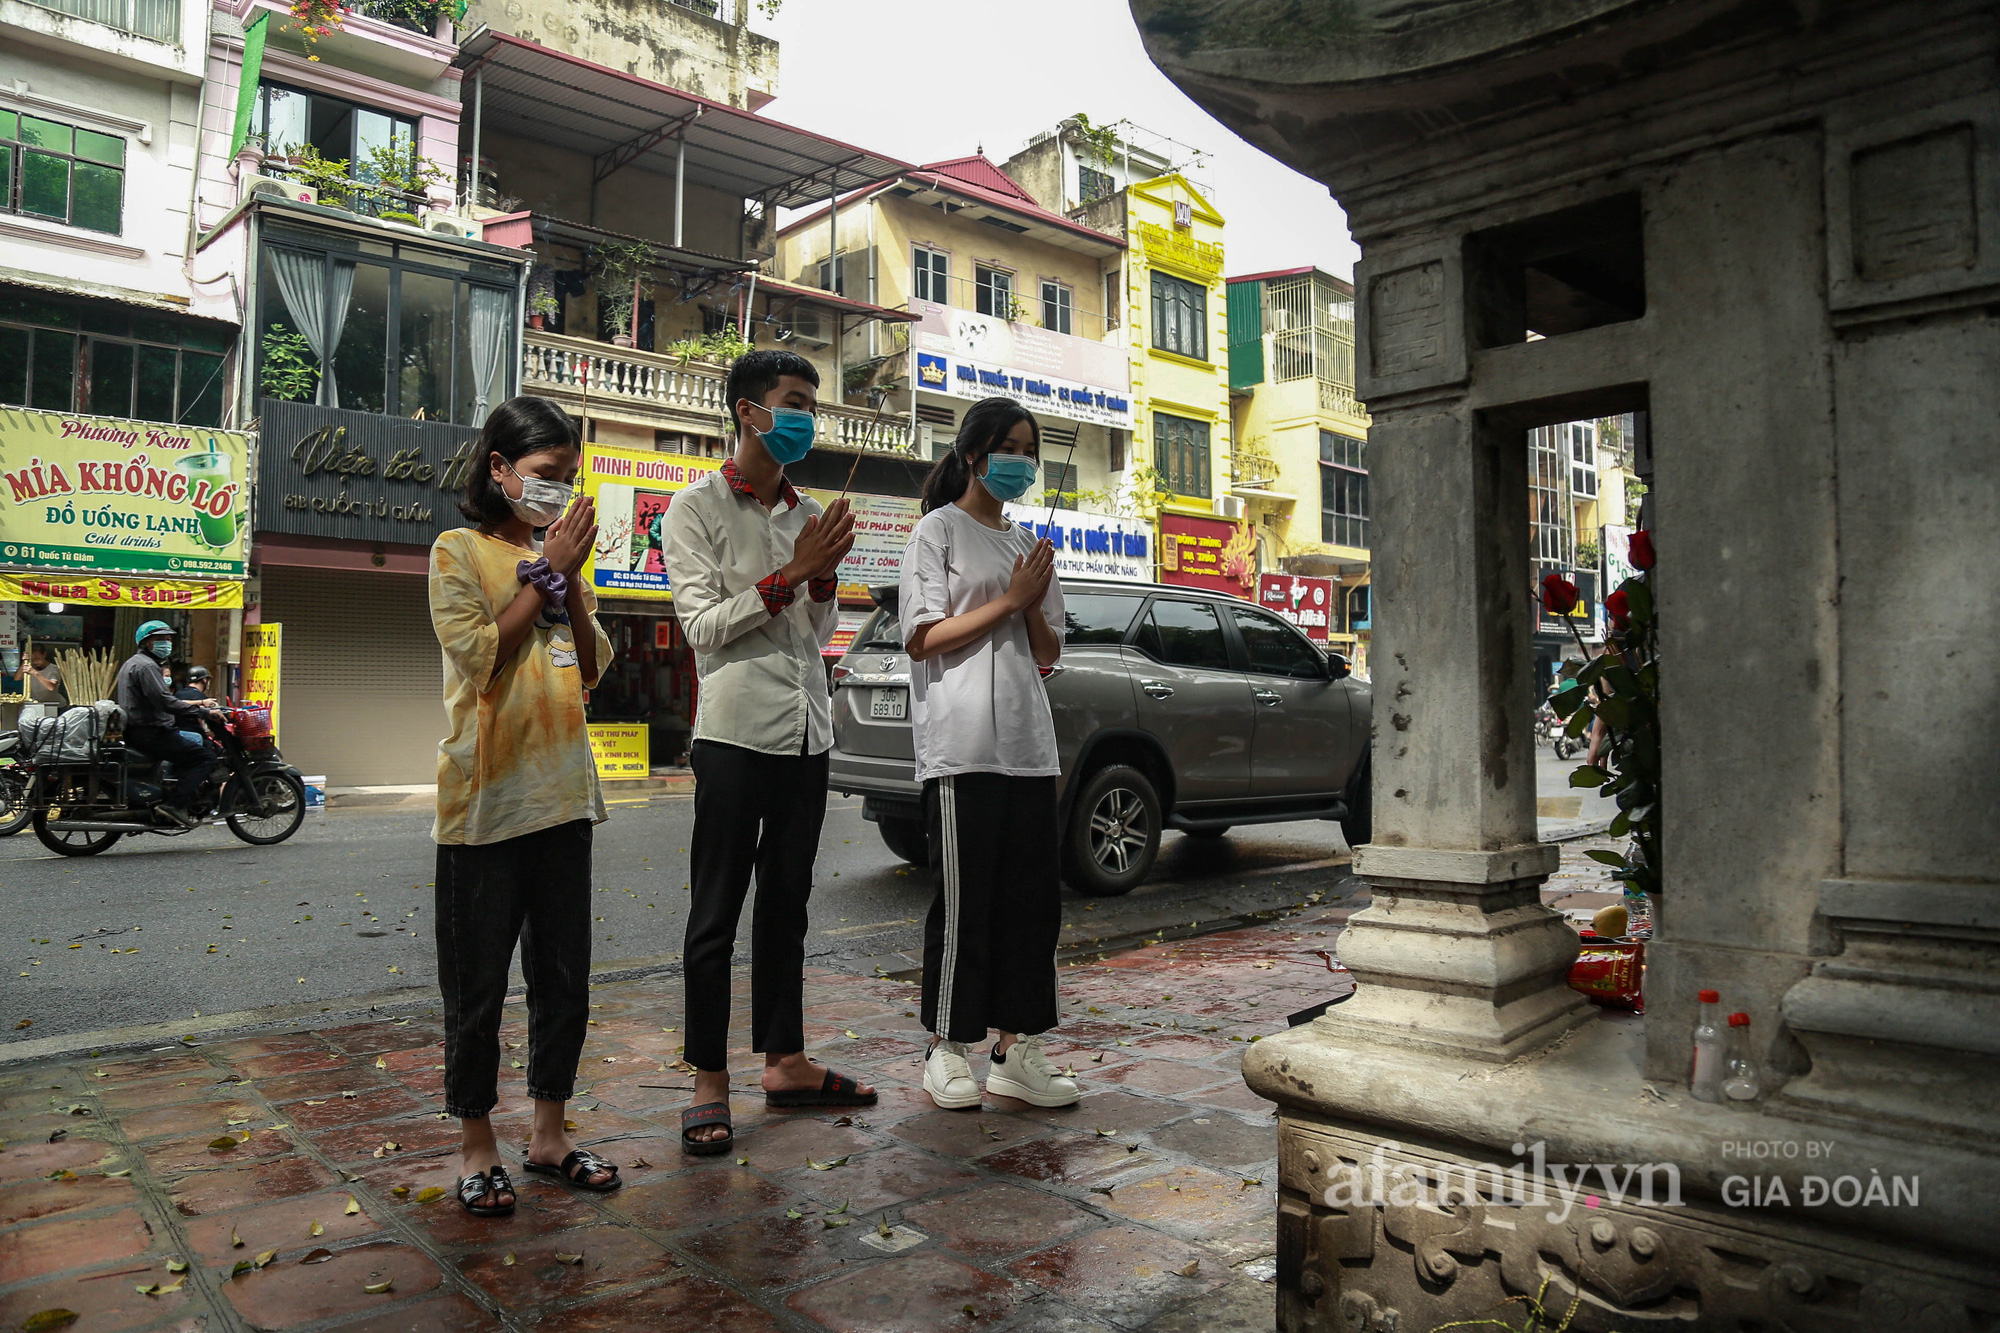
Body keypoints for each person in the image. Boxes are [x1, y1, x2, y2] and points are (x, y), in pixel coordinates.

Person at [662, 348, 871, 1156]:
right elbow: (703, 627)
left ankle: (785, 1060)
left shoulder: (806, 510)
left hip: (806, 732)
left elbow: (814, 633)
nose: (806, 418)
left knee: (788, 904)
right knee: (715, 912)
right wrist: (794, 572)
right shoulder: (695, 508)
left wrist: (824, 581)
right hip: (732, 735)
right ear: (748, 411)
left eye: (811, 404)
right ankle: (708, 1081)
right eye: (794, 402)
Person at [429, 395, 618, 1218]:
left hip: (566, 799)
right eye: (545, 473)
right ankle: (478, 1146)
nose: (557, 491)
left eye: (568, 477)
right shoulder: (458, 551)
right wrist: (546, 578)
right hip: (485, 806)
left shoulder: (562, 561)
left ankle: (549, 1134)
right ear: (500, 468)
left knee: (563, 982)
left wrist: (566, 579)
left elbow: (595, 665)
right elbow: (480, 656)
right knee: (477, 991)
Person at [899, 396, 1077, 1111]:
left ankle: (1015, 1048)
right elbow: (922, 638)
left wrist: (1030, 598)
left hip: (1029, 747)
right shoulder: (937, 531)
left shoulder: (1027, 543)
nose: (1022, 463)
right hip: (961, 746)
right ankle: (947, 1046)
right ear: (973, 454)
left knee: (1031, 905)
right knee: (964, 901)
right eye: (1011, 448)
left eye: (1031, 451)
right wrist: (1009, 599)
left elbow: (1048, 651)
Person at [113, 622, 222, 827]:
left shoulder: (135, 663)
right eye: (161, 639)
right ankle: (174, 805)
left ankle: (171, 796)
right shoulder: (146, 666)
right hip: (151, 733)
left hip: (141, 731)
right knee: (206, 758)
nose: (167, 642)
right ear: (146, 643)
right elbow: (165, 702)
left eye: (169, 638)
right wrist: (204, 712)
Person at [21, 645, 65, 724]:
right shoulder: (30, 667)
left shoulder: (53, 669)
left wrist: (34, 673)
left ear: (44, 654)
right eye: (33, 659)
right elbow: (17, 678)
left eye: (37, 658)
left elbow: (51, 687)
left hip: (53, 706)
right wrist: (25, 662)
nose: (35, 662)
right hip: (35, 706)